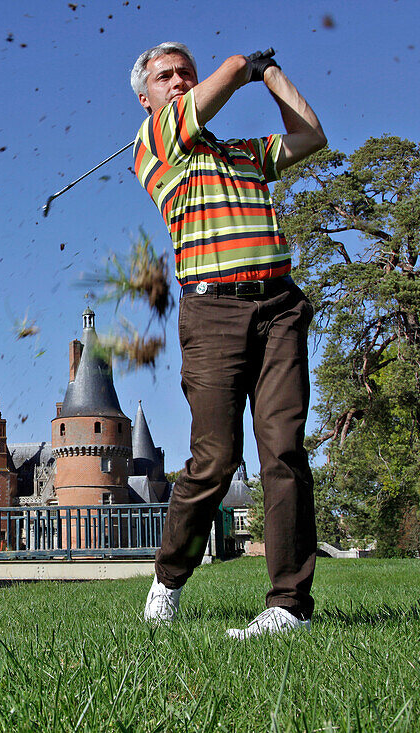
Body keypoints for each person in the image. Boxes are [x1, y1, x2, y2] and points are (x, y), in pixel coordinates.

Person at [130, 42, 327, 639]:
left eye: (186, 71)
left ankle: (287, 606)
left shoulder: (242, 154)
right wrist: (239, 65)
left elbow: (311, 135)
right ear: (147, 98)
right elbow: (212, 92)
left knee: (284, 449)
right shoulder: (156, 144)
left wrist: (271, 73)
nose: (179, 80)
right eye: (166, 76)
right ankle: (168, 579)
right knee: (215, 460)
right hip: (212, 311)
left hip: (278, 306)